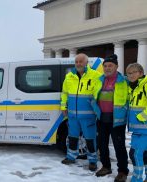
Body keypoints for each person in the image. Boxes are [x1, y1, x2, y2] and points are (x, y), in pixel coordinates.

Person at [60, 53, 101, 171]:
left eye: (81, 61)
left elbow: (99, 94)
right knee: (72, 137)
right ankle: (71, 157)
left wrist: (97, 108)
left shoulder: (95, 75)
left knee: (90, 138)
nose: (78, 64)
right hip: (72, 115)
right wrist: (63, 107)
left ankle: (92, 161)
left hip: (88, 116)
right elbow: (64, 93)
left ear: (86, 63)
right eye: (76, 61)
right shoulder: (69, 76)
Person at [92, 54, 128, 182]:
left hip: (117, 120)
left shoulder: (124, 81)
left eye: (110, 65)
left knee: (119, 146)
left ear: (116, 66)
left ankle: (123, 171)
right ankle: (106, 166)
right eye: (105, 66)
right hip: (102, 118)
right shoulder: (99, 79)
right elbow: (94, 96)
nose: (107, 68)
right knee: (102, 144)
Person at [126, 63, 147, 182]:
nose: (131, 75)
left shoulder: (145, 85)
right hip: (138, 129)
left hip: (144, 128)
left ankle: (137, 179)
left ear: (141, 73)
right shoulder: (133, 87)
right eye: (129, 73)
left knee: (135, 154)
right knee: (144, 155)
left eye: (134, 72)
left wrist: (141, 117)